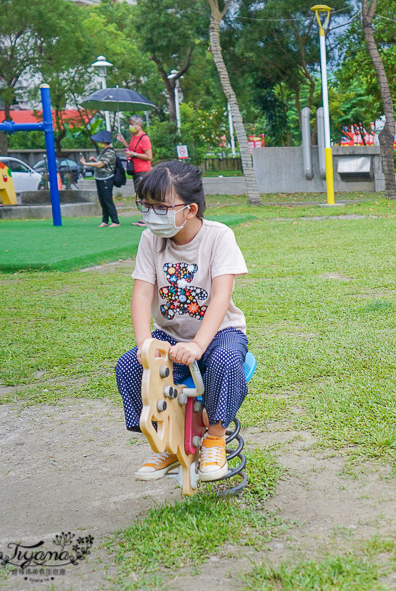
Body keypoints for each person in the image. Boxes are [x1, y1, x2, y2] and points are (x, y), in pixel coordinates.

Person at [114, 161, 249, 482]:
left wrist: (200, 344)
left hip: (219, 333)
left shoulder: (219, 237)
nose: (150, 215)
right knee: (130, 367)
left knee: (227, 361)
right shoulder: (151, 240)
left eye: (160, 207)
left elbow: (220, 296)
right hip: (171, 335)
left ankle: (214, 436)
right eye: (146, 206)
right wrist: (145, 343)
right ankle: (169, 442)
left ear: (190, 209)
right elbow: (142, 294)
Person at [118, 115, 153, 227]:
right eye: (131, 123)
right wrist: (124, 142)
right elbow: (132, 149)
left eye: (133, 124)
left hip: (143, 170)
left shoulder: (144, 138)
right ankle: (144, 217)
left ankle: (147, 218)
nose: (131, 126)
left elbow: (149, 156)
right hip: (135, 170)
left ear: (139, 125)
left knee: (144, 194)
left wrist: (133, 154)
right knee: (139, 194)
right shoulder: (134, 137)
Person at [81, 130, 120, 227]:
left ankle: (115, 221)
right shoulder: (105, 151)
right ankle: (105, 220)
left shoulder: (110, 152)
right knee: (102, 200)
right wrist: (94, 160)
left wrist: (86, 164)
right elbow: (100, 162)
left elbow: (101, 164)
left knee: (107, 200)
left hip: (106, 178)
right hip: (99, 178)